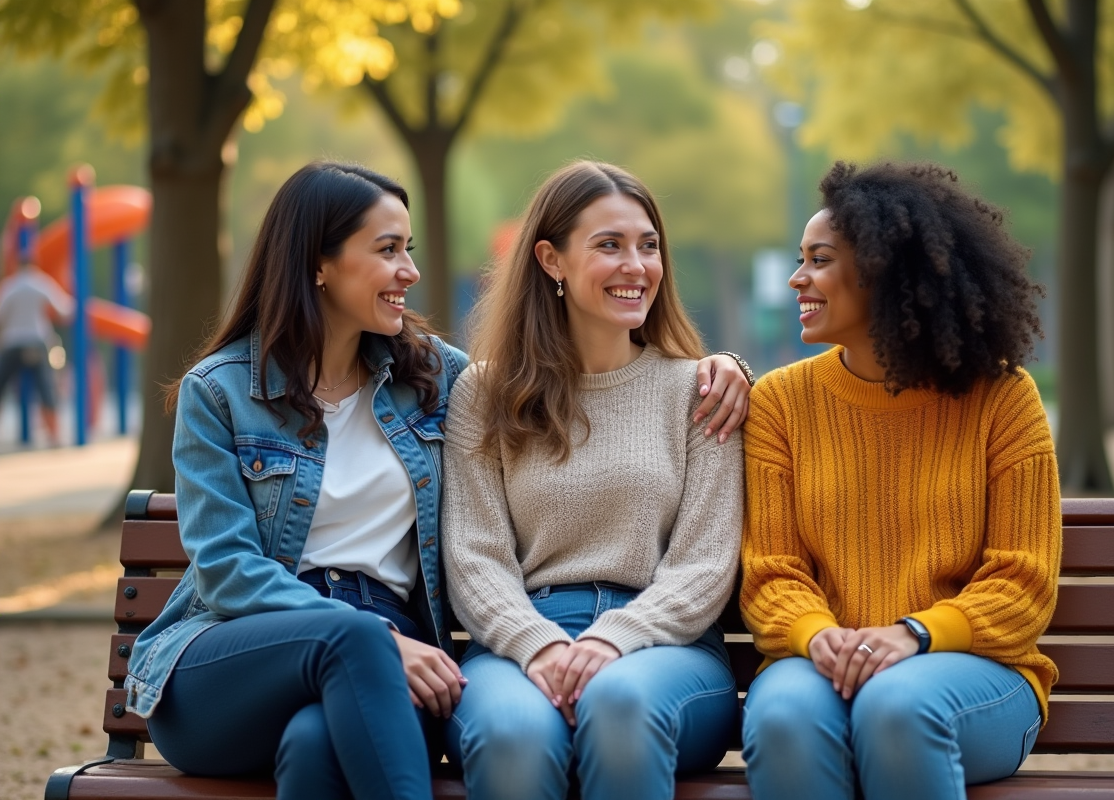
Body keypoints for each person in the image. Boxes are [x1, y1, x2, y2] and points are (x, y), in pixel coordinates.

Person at [123, 160, 750, 800]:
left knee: (316, 745)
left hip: (392, 655)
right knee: (357, 643)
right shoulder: (222, 391)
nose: (411, 272)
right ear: (319, 263)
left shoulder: (429, 379)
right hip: (252, 646)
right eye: (388, 249)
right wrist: (385, 639)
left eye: (410, 249)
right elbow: (227, 568)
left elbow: (539, 378)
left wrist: (727, 367)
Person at [739, 162, 1061, 800]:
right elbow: (771, 569)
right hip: (817, 661)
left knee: (895, 707)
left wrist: (914, 635)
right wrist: (816, 634)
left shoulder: (1003, 399)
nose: (797, 278)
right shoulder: (780, 403)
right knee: (782, 719)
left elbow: (1022, 580)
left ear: (886, 273)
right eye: (801, 259)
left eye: (820, 260)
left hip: (974, 673)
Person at [441, 160, 746, 800]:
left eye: (649, 245)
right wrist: (541, 647)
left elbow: (705, 563)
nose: (637, 266)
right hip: (520, 642)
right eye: (609, 245)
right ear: (551, 260)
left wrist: (613, 640)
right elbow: (474, 554)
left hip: (667, 648)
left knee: (618, 705)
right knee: (511, 735)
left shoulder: (700, 390)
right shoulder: (485, 391)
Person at [0, 260, 74, 444]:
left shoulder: (10, 285)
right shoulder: (41, 282)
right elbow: (65, 309)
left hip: (13, 343)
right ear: (34, 266)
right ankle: (54, 435)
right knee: (46, 386)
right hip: (36, 342)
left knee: (2, 385)